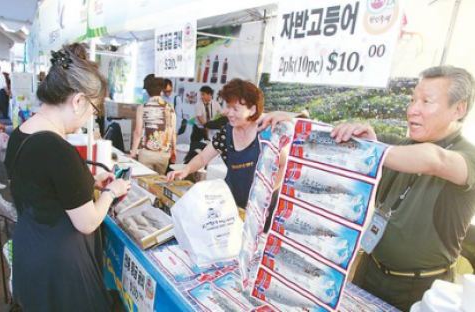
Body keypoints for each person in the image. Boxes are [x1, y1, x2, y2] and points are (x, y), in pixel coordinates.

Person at [331, 66, 475, 311]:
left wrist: (374, 150)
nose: (412, 109)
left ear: (458, 109)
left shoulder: (467, 156)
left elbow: (434, 159)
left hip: (419, 287)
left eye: (426, 101)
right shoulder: (401, 145)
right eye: (412, 99)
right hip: (370, 270)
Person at [4, 43, 130, 311]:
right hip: (60, 264)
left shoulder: (20, 133)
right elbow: (87, 222)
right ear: (78, 100)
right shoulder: (57, 149)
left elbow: (42, 187)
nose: (88, 120)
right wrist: (111, 192)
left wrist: (88, 182)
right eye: (93, 111)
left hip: (29, 249)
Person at [167, 78, 297, 208]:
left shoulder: (267, 133)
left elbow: (283, 165)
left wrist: (267, 193)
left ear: (252, 109)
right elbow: (202, 157)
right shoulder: (226, 132)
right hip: (231, 200)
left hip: (260, 208)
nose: (228, 113)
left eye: (235, 109)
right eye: (228, 106)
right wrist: (186, 169)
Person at [130, 76, 176, 174]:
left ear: (147, 90)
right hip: (164, 154)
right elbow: (172, 132)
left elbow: (138, 132)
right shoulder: (170, 108)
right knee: (157, 184)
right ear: (162, 89)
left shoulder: (142, 107)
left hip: (146, 153)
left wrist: (133, 152)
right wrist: (174, 151)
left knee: (144, 182)